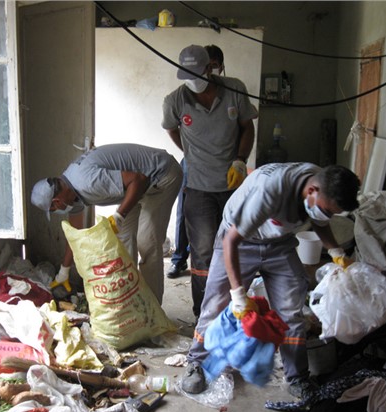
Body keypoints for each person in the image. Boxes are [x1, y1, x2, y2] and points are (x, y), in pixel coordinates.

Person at [181, 162, 360, 396]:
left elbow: (319, 221)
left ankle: (297, 377)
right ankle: (196, 362)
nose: (326, 215)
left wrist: (336, 252)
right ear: (312, 190)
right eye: (327, 210)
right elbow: (231, 241)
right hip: (239, 242)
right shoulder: (272, 190)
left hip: (279, 244)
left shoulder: (322, 186)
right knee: (216, 304)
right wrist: (238, 296)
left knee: (291, 311)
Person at [162, 44, 258, 319]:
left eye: (198, 73)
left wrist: (240, 159)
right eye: (187, 75)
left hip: (232, 186)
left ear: (210, 67)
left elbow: (246, 126)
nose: (193, 80)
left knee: (235, 247)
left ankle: (235, 309)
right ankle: (203, 314)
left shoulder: (235, 89)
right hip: (198, 188)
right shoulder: (175, 100)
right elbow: (171, 129)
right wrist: (190, 153)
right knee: (203, 253)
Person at [31, 143, 183, 304]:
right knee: (123, 239)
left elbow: (139, 180)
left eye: (53, 209)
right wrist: (64, 271)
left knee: (147, 243)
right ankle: (131, 299)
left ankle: (152, 308)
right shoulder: (69, 189)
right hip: (138, 184)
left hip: (161, 175)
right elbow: (74, 234)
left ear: (56, 201)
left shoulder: (86, 182)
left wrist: (119, 215)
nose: (57, 211)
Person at [167, 44, 226, 280]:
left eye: (214, 65)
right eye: (207, 64)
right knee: (186, 210)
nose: (209, 70)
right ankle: (179, 259)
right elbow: (172, 128)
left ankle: (219, 263)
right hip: (193, 163)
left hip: (222, 165)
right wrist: (189, 152)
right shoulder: (182, 97)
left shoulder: (230, 93)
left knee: (220, 217)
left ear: (219, 67)